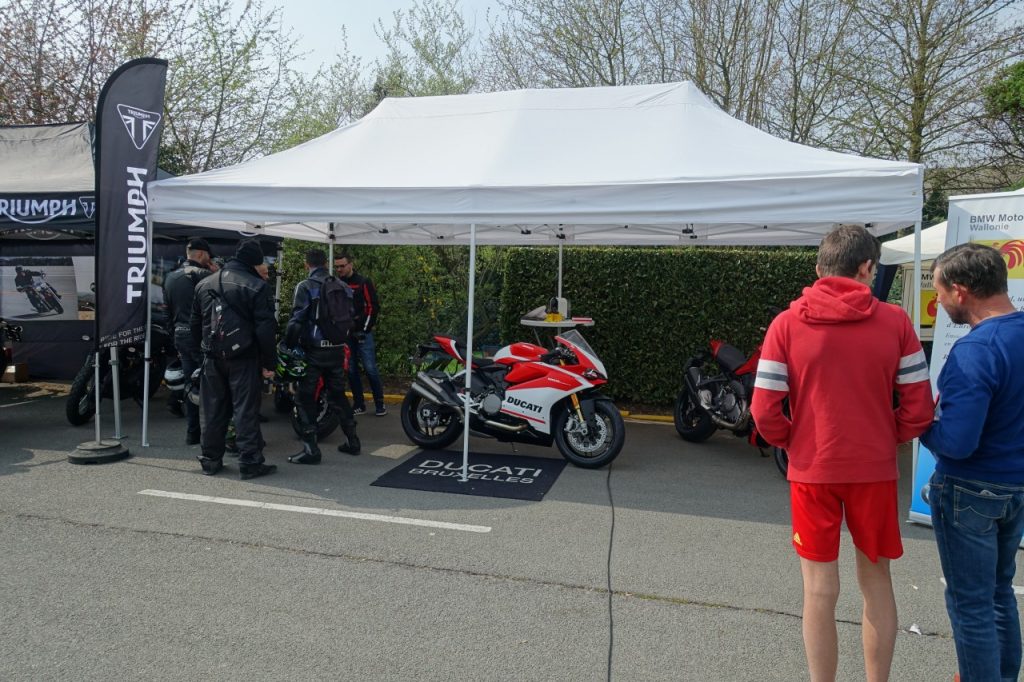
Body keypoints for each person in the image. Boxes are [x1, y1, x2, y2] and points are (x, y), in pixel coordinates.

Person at [750, 224, 934, 682]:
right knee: (876, 582)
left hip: (813, 470)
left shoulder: (786, 325)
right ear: (868, 267)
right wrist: (883, 435)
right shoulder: (896, 323)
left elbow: (764, 409)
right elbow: (918, 407)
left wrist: (794, 441)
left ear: (819, 268)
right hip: (873, 470)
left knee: (817, 590)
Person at [921, 242, 1024, 682]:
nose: (938, 304)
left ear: (960, 291)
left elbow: (957, 442)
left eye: (940, 293)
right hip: (1016, 487)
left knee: (971, 606)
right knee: (1000, 594)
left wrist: (917, 423)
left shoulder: (975, 350)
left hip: (970, 489)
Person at [190, 239, 277, 480]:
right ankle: (250, 462)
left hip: (211, 357)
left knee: (212, 410)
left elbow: (195, 324)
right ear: (254, 261)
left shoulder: (205, 283)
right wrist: (270, 362)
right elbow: (266, 331)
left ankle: (210, 459)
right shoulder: (256, 287)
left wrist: (202, 352)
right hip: (244, 358)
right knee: (245, 411)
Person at [285, 249, 360, 464]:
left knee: (304, 397)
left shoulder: (306, 286)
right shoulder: (343, 286)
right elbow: (351, 317)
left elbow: (297, 320)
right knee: (337, 395)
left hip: (314, 351)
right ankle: (353, 441)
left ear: (306, 264)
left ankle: (311, 449)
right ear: (326, 264)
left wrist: (288, 345)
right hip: (337, 349)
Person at [163, 238, 217, 443]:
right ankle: (210, 435)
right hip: (201, 337)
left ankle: (192, 432)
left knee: (190, 384)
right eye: (208, 257)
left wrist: (175, 337)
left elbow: (167, 313)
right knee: (210, 386)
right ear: (202, 254)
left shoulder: (169, 277)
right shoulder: (204, 275)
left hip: (180, 335)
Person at [333, 253, 386, 416]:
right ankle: (359, 404)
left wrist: (364, 329)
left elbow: (373, 307)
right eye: (337, 266)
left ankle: (379, 404)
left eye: (342, 265)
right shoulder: (336, 283)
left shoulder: (363, 282)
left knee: (370, 368)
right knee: (351, 370)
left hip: (363, 333)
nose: (339, 269)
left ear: (351, 264)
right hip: (346, 334)